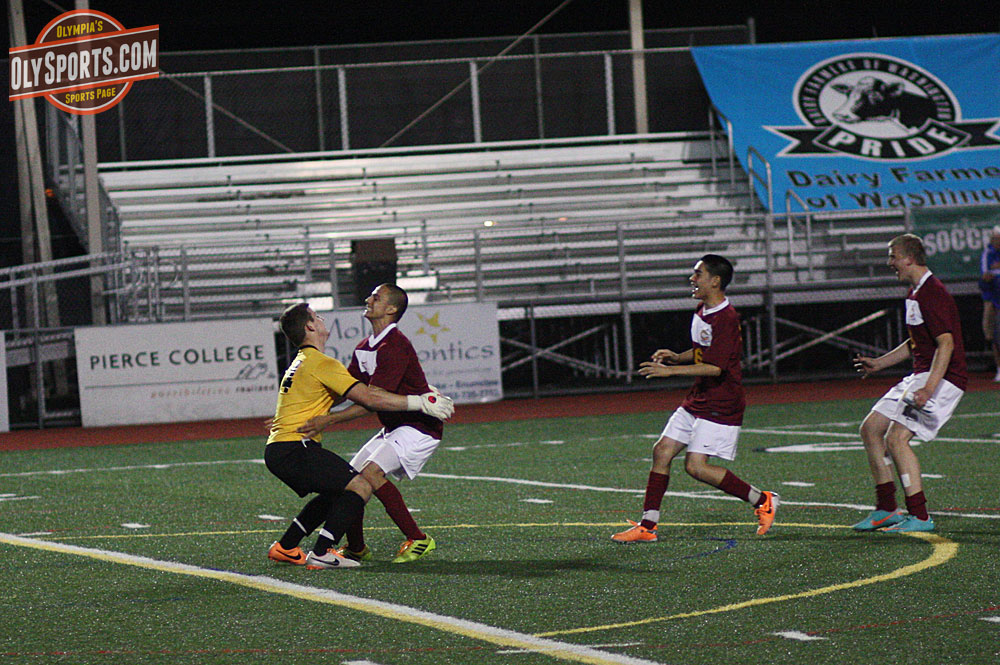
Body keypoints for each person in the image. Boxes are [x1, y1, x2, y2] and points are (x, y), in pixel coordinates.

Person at [264, 302, 454, 569]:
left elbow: (345, 393)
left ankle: (287, 547)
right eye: (317, 317)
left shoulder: (302, 361)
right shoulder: (322, 363)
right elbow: (369, 399)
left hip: (281, 449)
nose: (322, 319)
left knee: (337, 491)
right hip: (296, 447)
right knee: (361, 486)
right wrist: (420, 402)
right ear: (310, 327)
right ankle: (322, 553)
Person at [612, 254, 779, 543]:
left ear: (715, 281)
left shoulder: (726, 318)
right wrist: (678, 357)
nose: (692, 279)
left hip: (721, 401)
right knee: (662, 451)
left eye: (698, 274)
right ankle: (647, 526)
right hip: (700, 396)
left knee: (695, 467)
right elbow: (705, 351)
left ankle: (762, 500)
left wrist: (670, 371)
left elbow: (716, 367)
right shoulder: (703, 309)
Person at [852, 233, 967, 533]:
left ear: (909, 258)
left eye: (893, 256)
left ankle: (920, 516)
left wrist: (929, 388)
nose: (889, 262)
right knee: (871, 429)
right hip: (921, 375)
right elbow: (916, 341)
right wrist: (880, 363)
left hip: (943, 378)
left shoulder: (932, 293)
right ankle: (887, 509)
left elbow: (946, 344)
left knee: (896, 438)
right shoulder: (915, 293)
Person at [979, 225, 1000, 382]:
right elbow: (985, 277)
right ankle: (999, 368)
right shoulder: (988, 254)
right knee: (994, 335)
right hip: (993, 299)